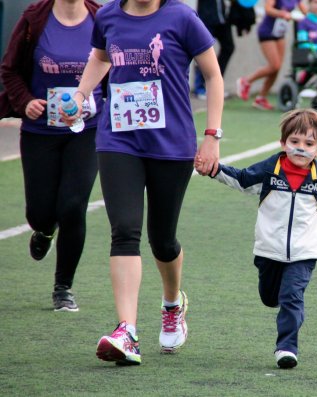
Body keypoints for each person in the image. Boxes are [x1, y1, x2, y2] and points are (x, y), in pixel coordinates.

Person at [62, 0, 224, 365]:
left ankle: (172, 303)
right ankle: (127, 331)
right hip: (118, 138)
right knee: (125, 230)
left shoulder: (182, 17)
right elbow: (101, 57)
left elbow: (213, 75)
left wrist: (212, 135)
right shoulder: (106, 16)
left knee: (162, 240)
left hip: (171, 143)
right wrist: (80, 93)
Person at [195, 108, 317, 368]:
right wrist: (213, 170)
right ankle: (287, 307)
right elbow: (242, 179)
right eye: (295, 142)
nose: (301, 148)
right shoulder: (270, 169)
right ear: (283, 143)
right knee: (270, 297)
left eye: (309, 144)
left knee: (292, 296)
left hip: (305, 249)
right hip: (269, 248)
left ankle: (287, 348)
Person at [0, 0, 104, 312]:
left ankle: (63, 287)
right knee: (41, 212)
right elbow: (10, 69)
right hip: (40, 131)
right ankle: (44, 229)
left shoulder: (101, 18)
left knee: (73, 206)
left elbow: (115, 66)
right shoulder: (35, 17)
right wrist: (25, 102)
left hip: (87, 129)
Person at [236, 0, 308, 110]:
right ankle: (246, 81)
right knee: (274, 65)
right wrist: (282, 14)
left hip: (280, 32)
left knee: (277, 68)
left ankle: (261, 98)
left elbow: (305, 12)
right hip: (267, 31)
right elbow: (268, 9)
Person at [193, 0, 236, 98]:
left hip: (222, 18)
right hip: (206, 18)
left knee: (229, 47)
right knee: (202, 51)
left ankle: (216, 85)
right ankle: (200, 88)